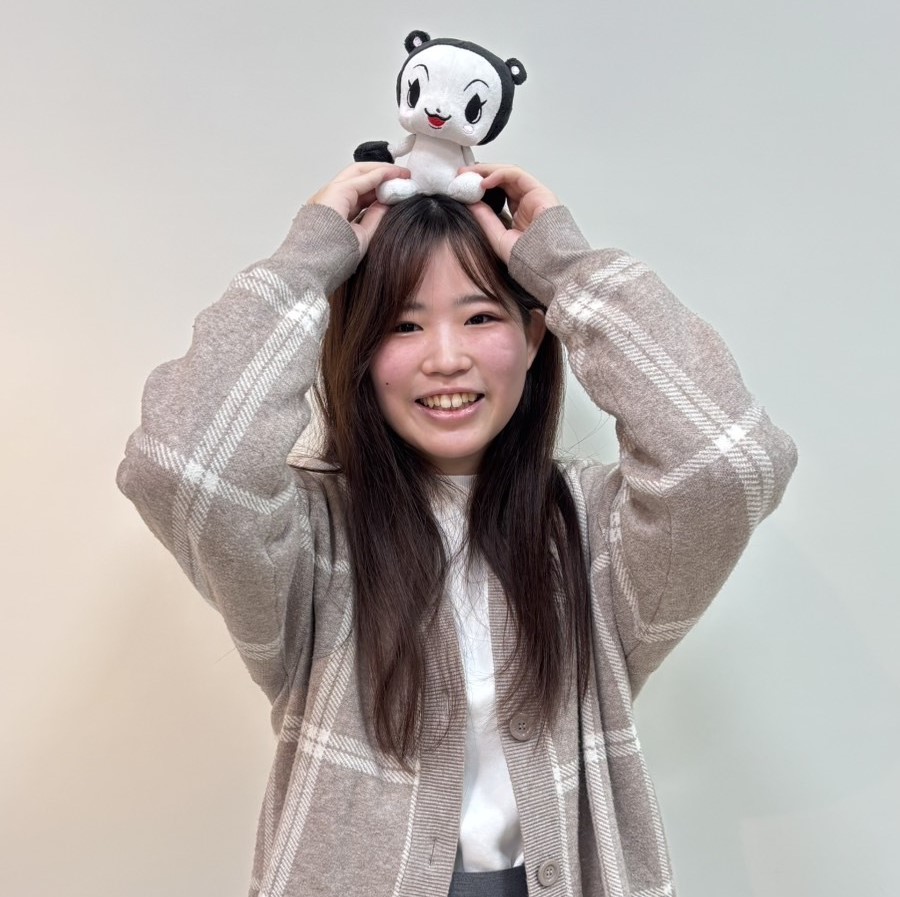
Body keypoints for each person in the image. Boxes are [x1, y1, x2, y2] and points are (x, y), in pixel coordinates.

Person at [117, 161, 797, 897]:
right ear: (360, 352)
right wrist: (308, 260)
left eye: (479, 317)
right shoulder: (311, 540)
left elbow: (730, 465)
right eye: (403, 325)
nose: (446, 358)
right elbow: (182, 468)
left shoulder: (594, 534)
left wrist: (564, 268)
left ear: (533, 337)